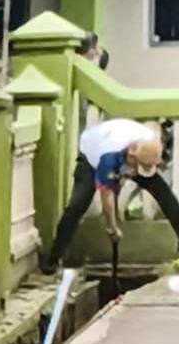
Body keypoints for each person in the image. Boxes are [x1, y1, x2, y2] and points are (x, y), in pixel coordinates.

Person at [47, 114, 179, 269]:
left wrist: (141, 167)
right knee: (78, 204)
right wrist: (112, 227)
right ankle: (54, 258)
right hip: (92, 161)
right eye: (138, 167)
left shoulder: (147, 143)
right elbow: (107, 199)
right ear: (131, 154)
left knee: (165, 196)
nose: (137, 173)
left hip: (131, 157)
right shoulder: (108, 158)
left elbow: (153, 136)